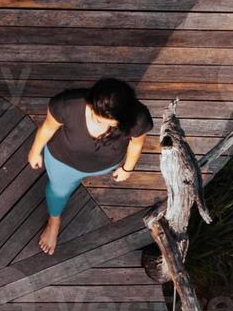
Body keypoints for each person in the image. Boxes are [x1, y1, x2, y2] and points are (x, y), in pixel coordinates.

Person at [26, 78, 153, 254]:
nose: (106, 129)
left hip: (105, 164)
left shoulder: (137, 117)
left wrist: (127, 168)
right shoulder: (67, 105)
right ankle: (54, 220)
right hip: (63, 161)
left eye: (113, 124)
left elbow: (136, 144)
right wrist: (35, 150)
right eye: (99, 120)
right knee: (58, 191)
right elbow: (48, 128)